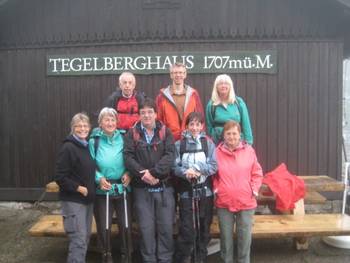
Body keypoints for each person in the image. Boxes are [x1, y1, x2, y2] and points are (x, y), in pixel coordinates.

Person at [124, 98, 175, 263]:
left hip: (164, 188)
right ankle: (149, 260)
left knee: (166, 227)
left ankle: (165, 259)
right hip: (141, 188)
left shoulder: (165, 132)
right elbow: (128, 157)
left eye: (149, 112)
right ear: (139, 115)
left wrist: (153, 173)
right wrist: (142, 174)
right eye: (143, 112)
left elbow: (170, 155)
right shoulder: (132, 133)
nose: (146, 115)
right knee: (146, 229)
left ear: (155, 113)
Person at [213, 121, 263, 263]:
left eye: (234, 133)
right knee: (226, 239)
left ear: (240, 135)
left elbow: (257, 173)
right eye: (228, 133)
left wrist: (254, 190)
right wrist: (217, 188)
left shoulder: (249, 151)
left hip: (246, 201)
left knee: (244, 238)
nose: (231, 137)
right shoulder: (216, 152)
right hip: (224, 202)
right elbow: (212, 175)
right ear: (223, 135)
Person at [172, 112, 217, 263]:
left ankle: (200, 258)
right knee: (187, 229)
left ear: (202, 126)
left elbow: (213, 166)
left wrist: (197, 169)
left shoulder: (208, 143)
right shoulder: (179, 144)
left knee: (204, 228)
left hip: (205, 192)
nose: (195, 127)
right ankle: (184, 258)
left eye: (198, 124)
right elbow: (174, 167)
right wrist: (186, 172)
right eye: (191, 124)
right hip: (186, 193)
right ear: (187, 126)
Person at [89, 108, 131, 263]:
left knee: (125, 224)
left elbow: (131, 157)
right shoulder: (94, 141)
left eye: (113, 120)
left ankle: (126, 255)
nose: (110, 123)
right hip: (103, 189)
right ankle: (106, 255)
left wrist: (129, 173)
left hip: (123, 187)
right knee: (104, 225)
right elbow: (89, 165)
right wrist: (99, 178)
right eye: (106, 120)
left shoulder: (124, 138)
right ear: (100, 123)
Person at [54, 113, 96, 263]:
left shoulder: (85, 146)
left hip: (87, 201)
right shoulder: (68, 147)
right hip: (74, 201)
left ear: (90, 128)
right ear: (73, 128)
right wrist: (79, 188)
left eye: (85, 125)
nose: (82, 128)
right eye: (79, 126)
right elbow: (60, 177)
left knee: (84, 239)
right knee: (78, 241)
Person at [156, 62, 204, 141]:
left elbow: (200, 118)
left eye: (181, 72)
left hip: (190, 138)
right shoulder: (162, 96)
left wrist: (200, 137)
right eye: (175, 73)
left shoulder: (193, 94)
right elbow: (158, 120)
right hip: (169, 139)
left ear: (185, 74)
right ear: (171, 75)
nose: (178, 75)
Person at [206, 74, 253, 145]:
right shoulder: (212, 104)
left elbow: (246, 124)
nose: (223, 86)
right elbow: (209, 126)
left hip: (236, 142)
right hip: (217, 143)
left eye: (226, 83)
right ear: (216, 87)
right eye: (220, 83)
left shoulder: (238, 102)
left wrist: (248, 142)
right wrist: (210, 143)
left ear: (230, 86)